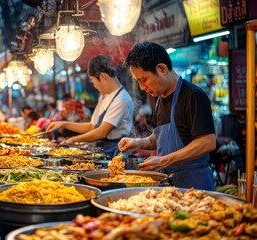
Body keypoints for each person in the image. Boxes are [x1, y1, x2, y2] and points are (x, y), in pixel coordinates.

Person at [118, 42, 216, 191]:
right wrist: (136, 143)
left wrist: (164, 161)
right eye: (138, 81)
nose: (142, 87)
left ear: (162, 69)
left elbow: (207, 142)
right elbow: (159, 139)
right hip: (169, 186)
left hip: (196, 186)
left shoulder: (193, 96)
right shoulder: (160, 100)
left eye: (143, 80)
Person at [46, 55, 134, 158]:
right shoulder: (104, 96)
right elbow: (92, 127)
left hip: (114, 153)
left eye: (93, 80)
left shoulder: (121, 100)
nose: (94, 85)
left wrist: (72, 140)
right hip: (102, 150)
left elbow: (101, 132)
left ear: (102, 76)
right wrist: (63, 124)